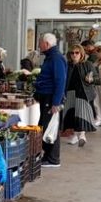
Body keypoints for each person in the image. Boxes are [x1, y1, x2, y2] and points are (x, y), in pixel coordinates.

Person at [34, 33, 67, 167]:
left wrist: (56, 103)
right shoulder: (50, 57)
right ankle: (48, 156)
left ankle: (52, 159)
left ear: (46, 44)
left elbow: (60, 81)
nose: (39, 45)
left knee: (49, 127)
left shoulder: (56, 58)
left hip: (51, 98)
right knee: (46, 126)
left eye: (40, 43)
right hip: (46, 96)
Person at [63, 44, 98, 147]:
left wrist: (91, 79)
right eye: (72, 53)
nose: (74, 55)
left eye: (77, 53)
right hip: (70, 92)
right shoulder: (67, 65)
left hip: (83, 92)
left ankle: (82, 135)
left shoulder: (88, 64)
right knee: (71, 114)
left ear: (81, 54)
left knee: (81, 114)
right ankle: (74, 135)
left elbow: (97, 79)